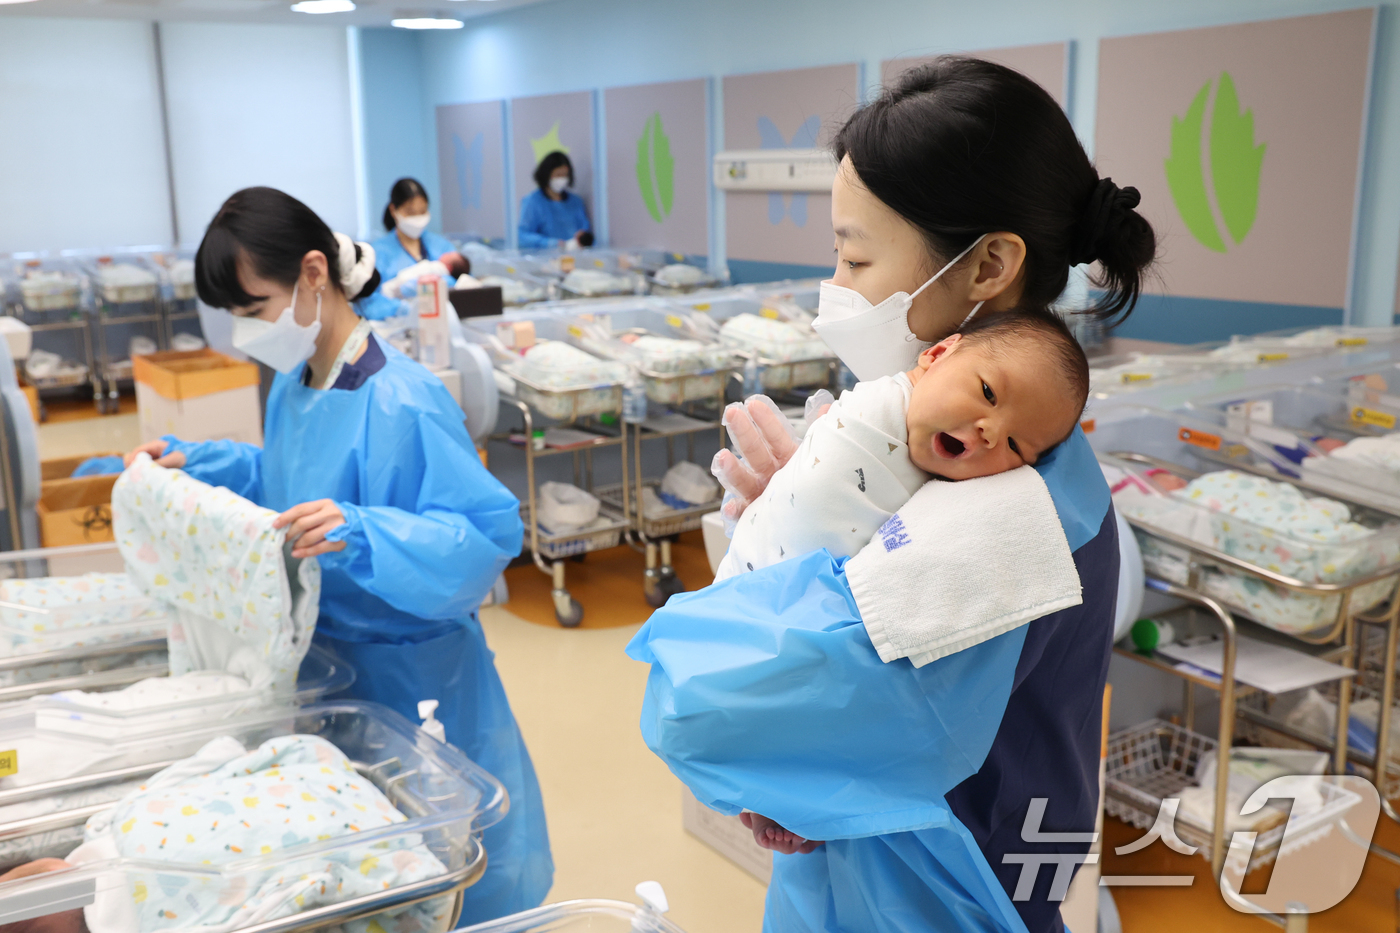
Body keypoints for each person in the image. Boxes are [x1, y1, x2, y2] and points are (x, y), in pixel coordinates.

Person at [627, 57, 1155, 933]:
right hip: (896, 873)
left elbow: (726, 711)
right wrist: (803, 520)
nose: (840, 285)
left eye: (855, 254)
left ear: (988, 264)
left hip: (944, 891)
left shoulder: (1005, 515)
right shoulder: (993, 462)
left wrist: (772, 587)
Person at [122, 186, 553, 924]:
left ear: (313, 274)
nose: (244, 330)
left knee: (445, 878)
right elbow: (289, 484)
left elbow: (481, 536)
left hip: (418, 684)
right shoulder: (298, 386)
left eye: (253, 308)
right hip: (329, 670)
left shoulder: (403, 399)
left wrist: (364, 529)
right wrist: (200, 465)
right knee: (362, 879)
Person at [715, 310, 1090, 583]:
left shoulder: (961, 502)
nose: (991, 433)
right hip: (743, 573)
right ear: (939, 354)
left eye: (1014, 445)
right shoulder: (885, 398)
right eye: (988, 393)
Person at [362, 177, 461, 320]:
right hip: (394, 329)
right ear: (393, 210)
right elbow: (368, 303)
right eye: (410, 212)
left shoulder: (441, 246)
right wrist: (404, 309)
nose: (417, 218)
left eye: (422, 211)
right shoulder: (377, 252)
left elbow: (462, 283)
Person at [517, 151, 593, 251]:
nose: (562, 179)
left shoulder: (576, 202)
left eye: (565, 175)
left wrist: (583, 238)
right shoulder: (533, 202)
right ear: (546, 175)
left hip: (575, 258)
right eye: (558, 175)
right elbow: (522, 236)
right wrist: (553, 244)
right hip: (544, 260)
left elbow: (585, 229)